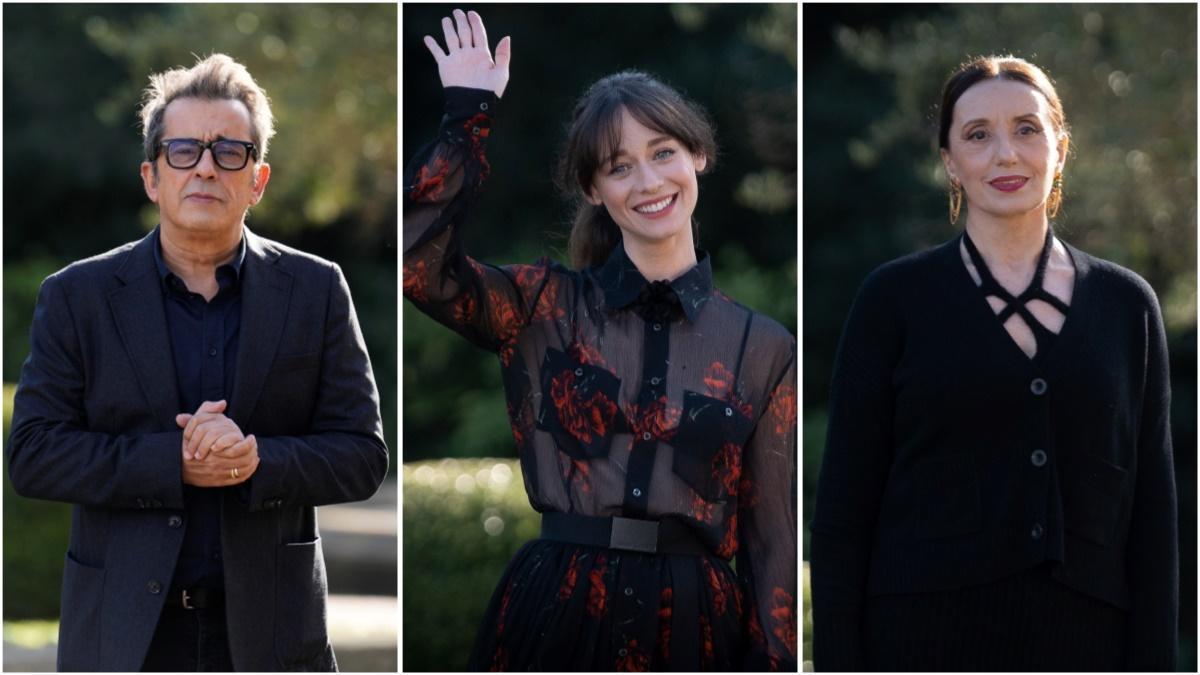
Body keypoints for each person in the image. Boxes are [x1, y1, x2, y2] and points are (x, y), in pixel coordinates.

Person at [405, 9, 797, 671]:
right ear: (594, 188)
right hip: (553, 616)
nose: (648, 182)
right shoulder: (541, 306)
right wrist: (467, 115)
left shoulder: (762, 346)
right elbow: (418, 263)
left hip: (696, 631)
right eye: (620, 166)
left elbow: (771, 543)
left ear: (697, 156)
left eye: (663, 153)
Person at [7, 53, 389, 672]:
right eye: (184, 150)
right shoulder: (77, 295)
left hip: (273, 635)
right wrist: (173, 463)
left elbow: (363, 455)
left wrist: (257, 458)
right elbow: (33, 455)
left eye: (229, 152)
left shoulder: (316, 289)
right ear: (152, 177)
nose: (206, 168)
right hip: (124, 636)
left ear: (257, 180)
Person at [809, 55, 1177, 671]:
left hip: (1088, 647)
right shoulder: (892, 300)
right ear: (950, 161)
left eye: (1027, 129)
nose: (1006, 153)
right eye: (978, 135)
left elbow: (1154, 522)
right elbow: (843, 513)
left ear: (1060, 146)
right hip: (918, 645)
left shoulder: (1127, 306)